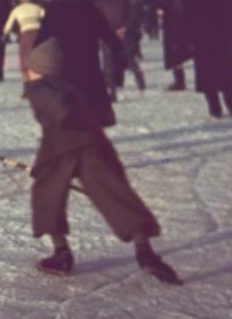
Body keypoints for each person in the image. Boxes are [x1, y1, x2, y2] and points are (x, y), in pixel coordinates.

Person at [22, 39, 181, 285]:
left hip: (60, 147)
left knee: (46, 196)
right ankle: (144, 249)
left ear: (39, 70)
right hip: (94, 143)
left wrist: (62, 117)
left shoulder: (40, 88)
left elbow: (59, 112)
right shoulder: (69, 86)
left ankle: (61, 252)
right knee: (115, 194)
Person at [33, 0, 121, 128]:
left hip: (64, 65)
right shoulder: (89, 8)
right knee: (92, 108)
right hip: (89, 64)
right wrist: (119, 51)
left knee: (68, 110)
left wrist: (35, 56)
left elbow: (43, 37)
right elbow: (107, 35)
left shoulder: (54, 9)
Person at [181, 0, 232, 117]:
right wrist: (231, 37)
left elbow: (185, 22)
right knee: (227, 77)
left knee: (207, 77)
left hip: (200, 43)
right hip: (222, 41)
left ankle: (215, 109)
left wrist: (189, 42)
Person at [93, 0, 144, 98]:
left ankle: (112, 91)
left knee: (108, 64)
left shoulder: (98, 1)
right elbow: (133, 15)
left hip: (108, 35)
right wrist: (125, 28)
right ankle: (140, 82)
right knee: (130, 60)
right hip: (124, 34)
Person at [3, 0, 46, 81]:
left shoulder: (16, 10)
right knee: (39, 55)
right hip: (39, 33)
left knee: (24, 56)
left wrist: (5, 34)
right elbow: (48, 18)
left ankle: (27, 78)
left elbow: (8, 25)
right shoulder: (37, 7)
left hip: (26, 34)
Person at [159, 0, 190, 91]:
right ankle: (179, 82)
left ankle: (180, 83)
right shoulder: (181, 4)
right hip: (178, 35)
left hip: (175, 36)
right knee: (177, 60)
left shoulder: (174, 6)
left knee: (176, 60)